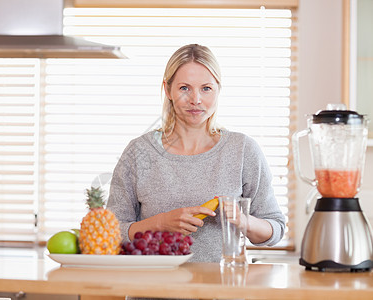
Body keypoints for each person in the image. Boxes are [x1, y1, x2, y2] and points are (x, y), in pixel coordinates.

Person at [107, 44, 286, 264]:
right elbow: (110, 233)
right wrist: (160, 223)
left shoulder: (243, 150)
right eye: (184, 88)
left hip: (223, 292)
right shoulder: (138, 152)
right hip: (150, 292)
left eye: (206, 88)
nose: (196, 99)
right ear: (167, 90)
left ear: (218, 89)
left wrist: (243, 221)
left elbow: (275, 229)